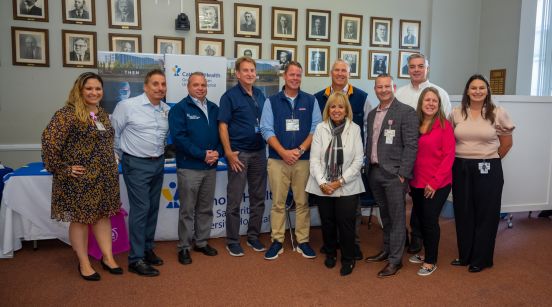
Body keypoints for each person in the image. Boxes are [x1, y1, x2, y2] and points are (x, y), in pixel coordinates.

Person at [41, 72, 122, 281]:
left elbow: (102, 141)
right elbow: (49, 142)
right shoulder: (67, 114)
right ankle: (84, 263)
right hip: (80, 180)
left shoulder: (101, 114)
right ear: (79, 90)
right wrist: (63, 168)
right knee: (80, 220)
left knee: (103, 216)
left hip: (104, 178)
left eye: (98, 89)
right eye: (89, 88)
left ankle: (108, 257)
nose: (94, 92)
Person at [449, 74, 514, 273]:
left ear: (487, 91)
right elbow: (450, 141)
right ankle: (465, 255)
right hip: (460, 168)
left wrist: (489, 159)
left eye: (481, 88)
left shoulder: (497, 112)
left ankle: (482, 258)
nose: (477, 91)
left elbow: (506, 143)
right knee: (463, 212)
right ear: (467, 91)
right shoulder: (456, 113)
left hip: (488, 168)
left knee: (486, 214)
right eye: (473, 88)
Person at [260, 61, 322, 260]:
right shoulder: (271, 101)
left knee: (302, 202)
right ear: (284, 76)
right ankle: (277, 240)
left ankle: (302, 241)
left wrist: (300, 149)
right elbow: (266, 130)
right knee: (278, 203)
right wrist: (284, 152)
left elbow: (316, 128)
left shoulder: (311, 101)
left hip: (303, 160)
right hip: (278, 160)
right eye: (291, 74)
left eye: (298, 75)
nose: (295, 78)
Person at [111, 69, 170, 277]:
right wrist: (117, 158)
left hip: (158, 163)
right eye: (155, 84)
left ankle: (146, 248)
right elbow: (114, 134)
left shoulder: (165, 109)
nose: (160, 88)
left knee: (153, 207)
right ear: (145, 86)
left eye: (163, 84)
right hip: (135, 164)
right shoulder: (127, 106)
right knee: (141, 208)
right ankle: (135, 259)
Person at [314, 59, 371, 260]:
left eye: (344, 71)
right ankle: (331, 244)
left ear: (349, 73)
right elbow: (317, 127)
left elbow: (367, 128)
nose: (340, 74)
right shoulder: (319, 96)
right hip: (326, 161)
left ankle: (352, 244)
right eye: (336, 70)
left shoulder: (362, 97)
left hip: (350, 161)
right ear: (331, 73)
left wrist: (362, 158)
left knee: (351, 212)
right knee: (328, 214)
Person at [395, 53, 452, 254]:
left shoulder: (441, 93)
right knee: (410, 203)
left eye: (421, 66)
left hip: (432, 164)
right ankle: (403, 237)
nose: (416, 70)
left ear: (427, 68)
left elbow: (445, 128)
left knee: (425, 210)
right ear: (407, 69)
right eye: (412, 66)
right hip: (407, 161)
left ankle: (419, 239)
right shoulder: (399, 94)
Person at [364, 74, 418, 278]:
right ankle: (387, 250)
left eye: (387, 86)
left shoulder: (406, 112)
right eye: (380, 87)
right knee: (385, 216)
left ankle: (395, 260)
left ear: (393, 87)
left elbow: (412, 146)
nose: (384, 90)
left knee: (396, 218)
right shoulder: (371, 115)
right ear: (375, 89)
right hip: (375, 172)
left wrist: (403, 174)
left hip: (395, 176)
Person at [306, 92, 365, 276]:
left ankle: (348, 259)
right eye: (333, 106)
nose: (336, 110)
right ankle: (330, 253)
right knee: (328, 222)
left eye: (340, 106)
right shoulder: (321, 128)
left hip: (347, 185)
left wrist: (339, 182)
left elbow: (358, 160)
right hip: (323, 184)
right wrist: (324, 183)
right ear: (328, 109)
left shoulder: (354, 129)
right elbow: (314, 160)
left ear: (346, 110)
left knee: (346, 223)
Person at [168, 72, 222, 265]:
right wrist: (202, 155)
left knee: (206, 208)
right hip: (189, 168)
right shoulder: (180, 109)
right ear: (188, 87)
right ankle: (183, 247)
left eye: (203, 85)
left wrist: (218, 153)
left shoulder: (215, 108)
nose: (200, 88)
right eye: (196, 85)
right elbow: (180, 139)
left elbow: (223, 135)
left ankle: (201, 241)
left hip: (210, 167)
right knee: (187, 210)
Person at [218, 57, 267, 256]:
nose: (249, 74)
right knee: (235, 200)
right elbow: (223, 126)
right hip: (239, 155)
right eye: (245, 70)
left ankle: (253, 237)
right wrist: (228, 153)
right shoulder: (229, 96)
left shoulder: (261, 95)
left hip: (259, 153)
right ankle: (232, 240)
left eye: (252, 70)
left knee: (258, 198)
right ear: (237, 74)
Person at [408, 87, 455, 276]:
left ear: (439, 104)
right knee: (420, 219)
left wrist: (434, 183)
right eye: (427, 100)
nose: (430, 103)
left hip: (437, 183)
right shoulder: (415, 124)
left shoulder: (444, 126)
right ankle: (426, 252)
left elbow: (449, 156)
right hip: (417, 182)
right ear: (421, 103)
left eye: (434, 101)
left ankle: (430, 260)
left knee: (429, 220)